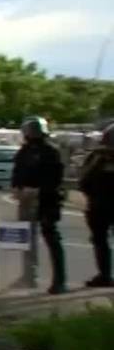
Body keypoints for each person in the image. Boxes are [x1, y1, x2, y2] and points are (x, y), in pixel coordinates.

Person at [11, 116, 67, 294]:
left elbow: (55, 179)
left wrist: (37, 190)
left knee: (52, 238)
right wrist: (18, 188)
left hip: (47, 200)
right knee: (26, 239)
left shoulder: (51, 152)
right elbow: (17, 172)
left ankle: (59, 279)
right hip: (26, 199)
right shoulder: (24, 151)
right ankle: (29, 275)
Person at [79, 123, 114, 288]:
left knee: (100, 241)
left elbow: (83, 180)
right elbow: (83, 181)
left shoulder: (96, 158)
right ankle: (104, 276)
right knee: (99, 241)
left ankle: (105, 275)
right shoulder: (96, 157)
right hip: (98, 205)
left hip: (98, 205)